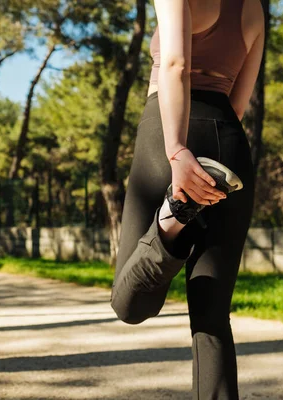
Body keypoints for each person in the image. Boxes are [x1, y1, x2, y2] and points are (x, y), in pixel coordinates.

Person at [110, 0, 265, 398]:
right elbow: (239, 101)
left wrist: (177, 149)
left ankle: (171, 219)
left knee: (129, 306)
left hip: (167, 132)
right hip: (228, 142)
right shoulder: (253, 9)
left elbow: (175, 64)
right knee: (212, 317)